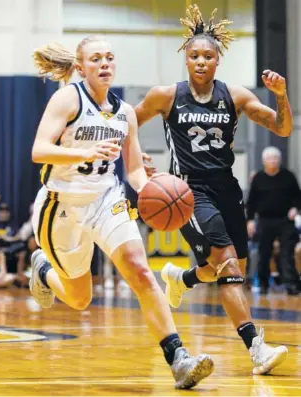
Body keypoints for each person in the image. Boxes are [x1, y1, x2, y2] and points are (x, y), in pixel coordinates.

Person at [28, 37, 214, 389]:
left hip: (107, 200)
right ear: (81, 67)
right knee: (80, 299)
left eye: (110, 58)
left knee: (142, 273)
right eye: (96, 59)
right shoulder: (68, 98)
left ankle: (178, 358)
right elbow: (39, 150)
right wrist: (84, 152)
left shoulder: (125, 112)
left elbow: (132, 171)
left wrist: (152, 185)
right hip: (62, 205)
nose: (105, 64)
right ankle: (43, 269)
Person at [134, 5, 290, 375]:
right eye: (194, 56)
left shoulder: (234, 96)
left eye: (208, 56)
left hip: (226, 188)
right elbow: (127, 122)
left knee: (228, 267)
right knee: (229, 266)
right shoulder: (165, 95)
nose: (201, 61)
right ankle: (257, 348)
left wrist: (281, 96)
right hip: (188, 192)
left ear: (218, 60)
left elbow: (282, 129)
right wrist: (137, 160)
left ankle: (181, 278)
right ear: (185, 60)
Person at [246, 147, 301, 295]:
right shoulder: (258, 178)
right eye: (269, 158)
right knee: (264, 252)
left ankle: (291, 284)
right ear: (264, 161)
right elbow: (251, 202)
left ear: (280, 160)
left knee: (286, 253)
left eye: (275, 158)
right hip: (265, 220)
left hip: (285, 220)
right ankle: (263, 284)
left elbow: (298, 197)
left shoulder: (288, 176)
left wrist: (295, 208)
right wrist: (250, 220)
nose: (273, 161)